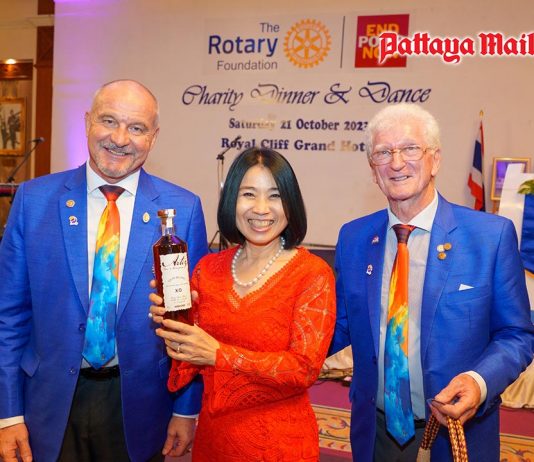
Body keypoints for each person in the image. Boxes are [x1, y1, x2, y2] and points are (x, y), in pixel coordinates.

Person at [0, 79, 208, 462]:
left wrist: (185, 409)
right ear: (87, 122)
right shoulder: (33, 200)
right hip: (46, 403)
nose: (120, 138)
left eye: (136, 127)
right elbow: (9, 316)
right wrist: (8, 413)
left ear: (153, 137)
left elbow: (194, 323)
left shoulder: (184, 209)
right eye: (109, 121)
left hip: (142, 407)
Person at [330, 103, 534, 461]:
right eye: (383, 153)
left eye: (410, 149)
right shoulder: (354, 238)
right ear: (373, 169)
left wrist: (479, 382)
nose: (396, 163)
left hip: (457, 435)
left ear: (435, 159)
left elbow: (517, 334)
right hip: (375, 434)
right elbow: (339, 325)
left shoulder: (490, 237)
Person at [149, 147, 336, 461]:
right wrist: (174, 324)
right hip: (214, 439)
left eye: (275, 196)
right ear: (231, 201)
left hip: (279, 445)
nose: (261, 209)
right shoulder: (208, 270)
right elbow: (187, 359)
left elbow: (303, 369)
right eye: (248, 194)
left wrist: (219, 355)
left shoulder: (312, 274)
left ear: (290, 203)